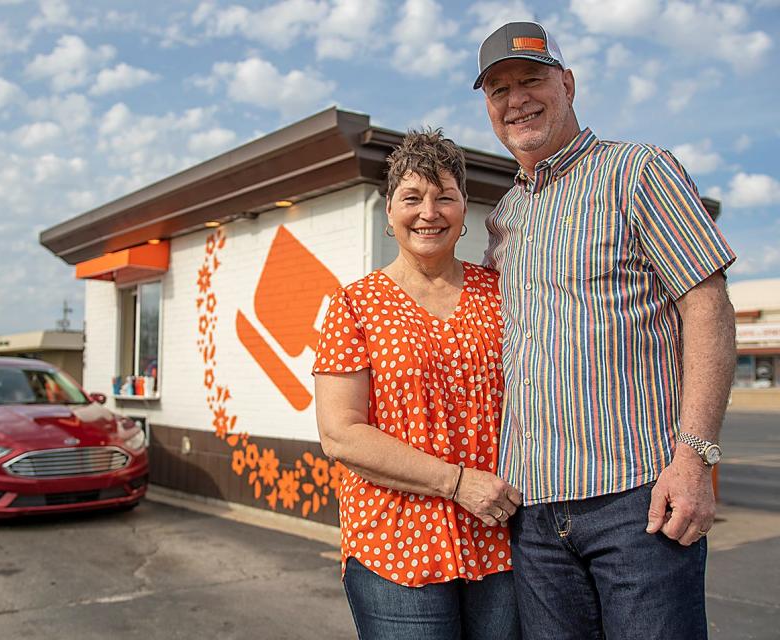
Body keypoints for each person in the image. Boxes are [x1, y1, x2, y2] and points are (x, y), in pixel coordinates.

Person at [474, 21, 736, 640]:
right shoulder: (506, 217)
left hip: (636, 505)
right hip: (534, 512)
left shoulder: (638, 171)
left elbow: (708, 307)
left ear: (567, 83)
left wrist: (695, 457)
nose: (517, 100)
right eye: (499, 89)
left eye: (532, 79)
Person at [313, 129, 523, 639]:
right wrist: (456, 482)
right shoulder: (354, 305)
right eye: (412, 197)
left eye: (444, 196)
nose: (429, 211)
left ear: (464, 209)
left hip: (502, 543)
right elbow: (340, 433)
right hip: (395, 550)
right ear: (389, 213)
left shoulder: (502, 293)